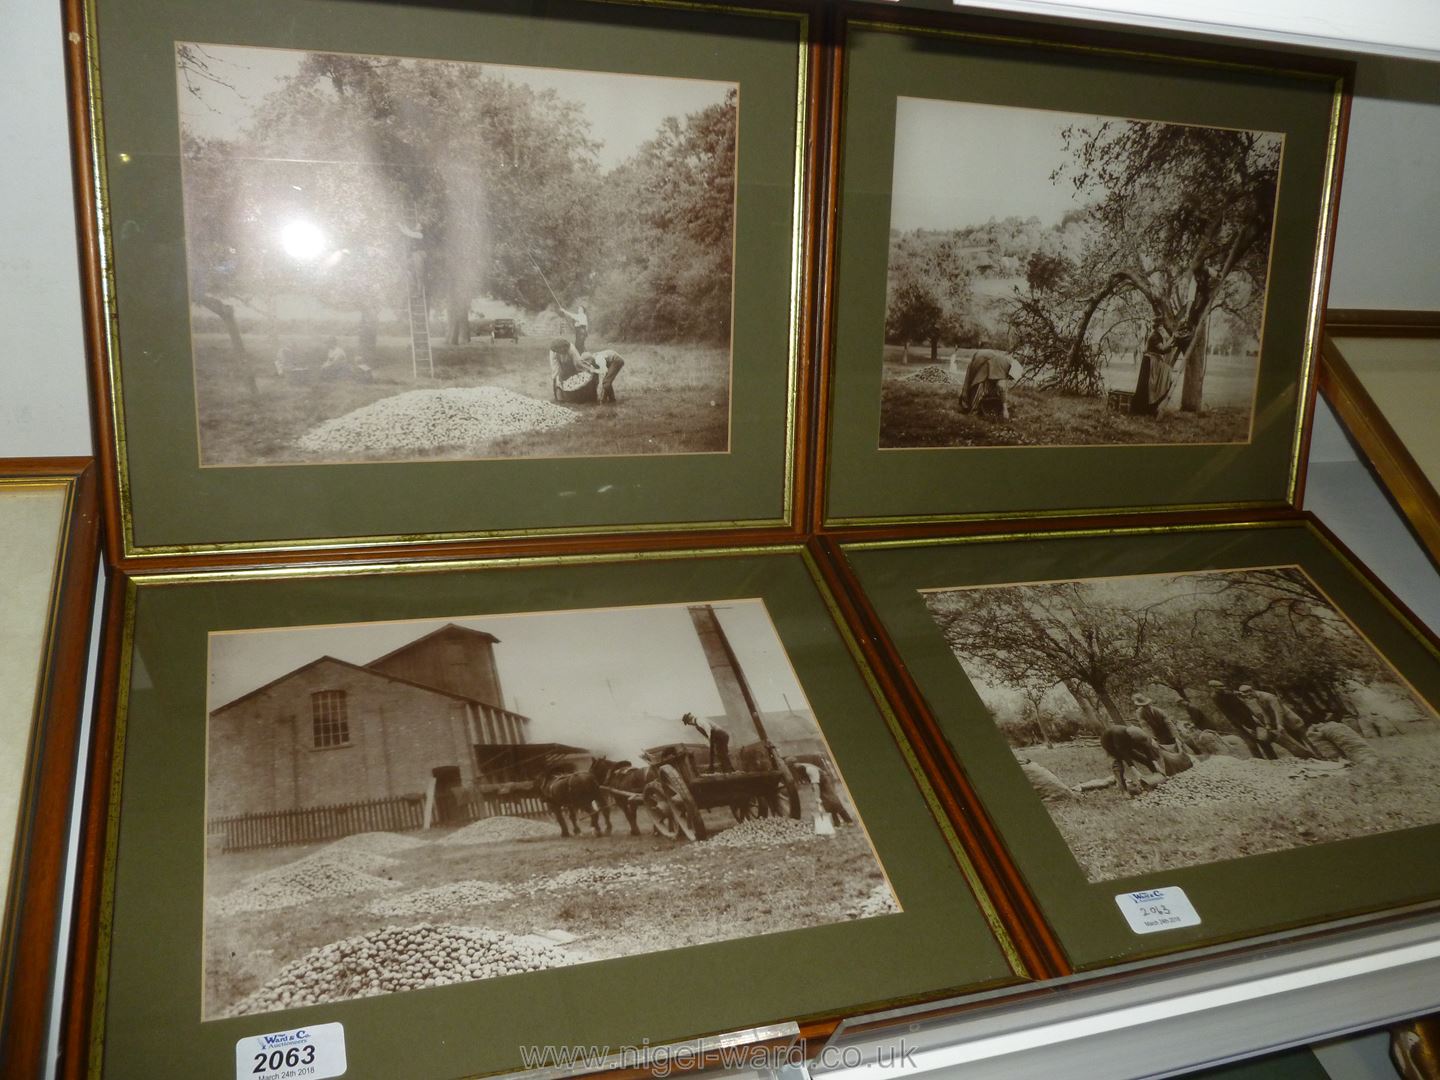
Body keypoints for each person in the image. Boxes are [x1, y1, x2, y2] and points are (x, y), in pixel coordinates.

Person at [1239, 685, 1319, 760]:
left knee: (1309, 740)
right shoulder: (1258, 699)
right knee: (1298, 743)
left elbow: (1278, 711)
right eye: (1245, 697)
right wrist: (1268, 724)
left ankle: (1321, 757)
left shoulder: (1268, 696)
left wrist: (1279, 724)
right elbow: (1265, 713)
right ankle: (1312, 759)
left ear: (1251, 691)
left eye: (1248, 695)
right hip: (1285, 724)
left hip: (1292, 720)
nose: (1248, 697)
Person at [1209, 679, 1275, 759]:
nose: (1223, 688)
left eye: (1223, 686)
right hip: (1239, 723)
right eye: (1220, 687)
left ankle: (1273, 759)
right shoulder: (1216, 698)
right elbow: (1228, 714)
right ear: (1213, 688)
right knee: (1252, 744)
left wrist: (1253, 716)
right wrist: (1243, 727)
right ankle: (1259, 761)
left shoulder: (1229, 693)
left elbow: (1243, 706)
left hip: (1249, 718)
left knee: (1263, 739)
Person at [957, 349, 1024, 419]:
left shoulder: (1007, 363)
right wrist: (1005, 409)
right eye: (1011, 377)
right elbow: (1001, 386)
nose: (1011, 379)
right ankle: (972, 412)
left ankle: (981, 409)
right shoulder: (1004, 364)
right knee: (977, 390)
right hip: (981, 366)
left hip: (985, 365)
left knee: (990, 392)